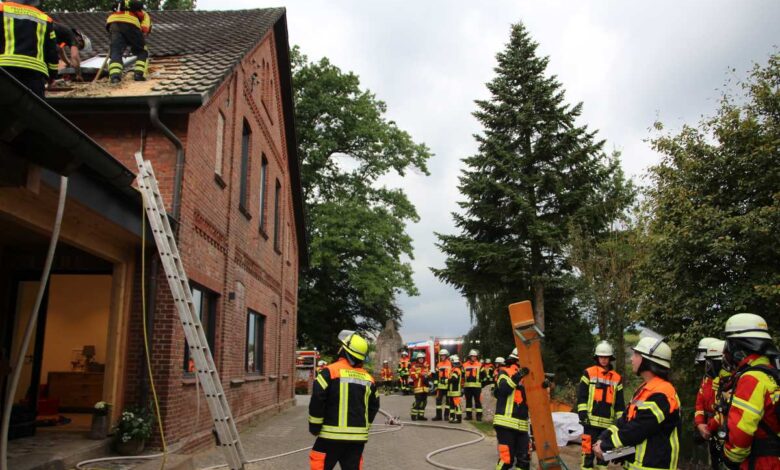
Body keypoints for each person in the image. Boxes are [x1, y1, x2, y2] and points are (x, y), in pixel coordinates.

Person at [594, 337, 680, 470]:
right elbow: (625, 420)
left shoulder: (663, 393)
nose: (631, 359)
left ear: (648, 360)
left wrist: (606, 446)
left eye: (636, 355)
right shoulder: (644, 389)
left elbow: (637, 430)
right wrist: (604, 438)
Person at [308, 331, 379, 470]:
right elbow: (374, 406)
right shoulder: (368, 379)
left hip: (329, 437)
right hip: (357, 440)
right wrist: (365, 427)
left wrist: (314, 426)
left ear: (344, 350)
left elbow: (317, 399)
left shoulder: (329, 372)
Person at [720, 313, 780, 470]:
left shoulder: (752, 378)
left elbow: (742, 432)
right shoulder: (771, 374)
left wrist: (729, 458)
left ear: (737, 346)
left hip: (760, 462)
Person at [577, 340, 625, 470]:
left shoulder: (617, 378)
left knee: (603, 457)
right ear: (597, 357)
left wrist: (621, 422)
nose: (604, 360)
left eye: (606, 357)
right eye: (601, 357)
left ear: (610, 358)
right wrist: (582, 414)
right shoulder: (588, 373)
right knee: (587, 454)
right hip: (590, 423)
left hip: (607, 426)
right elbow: (582, 396)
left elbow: (620, 404)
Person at [0, 0, 58, 98]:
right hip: (34, 75)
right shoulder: (46, 19)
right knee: (31, 110)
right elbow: (52, 52)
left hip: (5, 71)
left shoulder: (2, 9)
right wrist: (52, 77)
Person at [696, 339, 731, 470]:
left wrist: (709, 427)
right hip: (711, 430)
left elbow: (725, 411)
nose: (707, 365)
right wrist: (700, 423)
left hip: (723, 433)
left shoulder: (729, 381)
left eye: (709, 362)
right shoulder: (707, 379)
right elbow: (699, 402)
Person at [493, 348, 530, 470]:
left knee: (524, 461)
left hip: (522, 426)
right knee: (507, 460)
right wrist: (517, 376)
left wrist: (543, 387)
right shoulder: (504, 372)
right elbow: (503, 390)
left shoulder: (529, 378)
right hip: (505, 423)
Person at [106, 0, 151, 83]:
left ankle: (114, 77)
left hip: (113, 23)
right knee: (142, 51)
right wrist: (138, 40)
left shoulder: (120, 7)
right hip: (131, 23)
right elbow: (144, 30)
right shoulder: (145, 14)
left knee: (116, 51)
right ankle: (138, 75)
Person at [463, 349, 484, 421]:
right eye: (472, 356)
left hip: (477, 387)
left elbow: (483, 375)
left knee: (477, 402)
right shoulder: (464, 365)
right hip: (467, 387)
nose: (474, 358)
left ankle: (479, 417)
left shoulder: (480, 365)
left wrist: (482, 384)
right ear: (470, 356)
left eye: (475, 357)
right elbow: (462, 375)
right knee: (468, 402)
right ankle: (469, 416)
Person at [432, 349, 452, 421]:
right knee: (438, 401)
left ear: (446, 356)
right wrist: (435, 384)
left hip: (448, 386)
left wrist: (450, 382)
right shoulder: (438, 364)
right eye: (441, 356)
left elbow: (452, 375)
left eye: (443, 355)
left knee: (448, 401)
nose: (442, 357)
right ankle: (438, 416)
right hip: (440, 386)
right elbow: (436, 375)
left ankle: (446, 416)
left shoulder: (450, 364)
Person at [409, 351, 430, 421]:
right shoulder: (414, 367)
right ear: (417, 359)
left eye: (422, 358)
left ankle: (421, 416)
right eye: (419, 358)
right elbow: (412, 376)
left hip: (425, 388)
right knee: (418, 402)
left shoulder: (426, 366)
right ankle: (413, 415)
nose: (421, 359)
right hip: (418, 387)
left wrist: (428, 375)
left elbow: (428, 374)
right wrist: (420, 374)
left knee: (424, 402)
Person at [448, 354, 463, 423]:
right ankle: (452, 417)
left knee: (457, 405)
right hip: (452, 391)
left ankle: (458, 419)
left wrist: (446, 380)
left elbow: (454, 379)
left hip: (455, 391)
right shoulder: (454, 369)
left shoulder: (456, 370)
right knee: (451, 405)